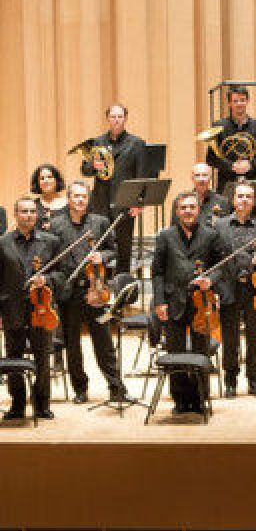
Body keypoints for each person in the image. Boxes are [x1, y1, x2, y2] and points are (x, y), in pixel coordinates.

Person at [49, 182, 128, 405]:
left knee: (104, 342)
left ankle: (116, 387)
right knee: (72, 345)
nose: (80, 200)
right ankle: (80, 389)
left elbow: (113, 252)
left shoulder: (100, 222)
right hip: (69, 293)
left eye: (84, 196)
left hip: (97, 291)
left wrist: (101, 257)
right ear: (69, 198)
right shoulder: (56, 226)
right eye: (76, 196)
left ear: (88, 198)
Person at [151, 190, 227, 415]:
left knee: (200, 352)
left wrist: (210, 279)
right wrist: (159, 302)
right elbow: (157, 272)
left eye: (192, 207)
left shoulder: (210, 235)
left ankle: (200, 398)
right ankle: (180, 400)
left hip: (200, 303)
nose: (188, 211)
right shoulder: (165, 236)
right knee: (174, 352)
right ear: (177, 211)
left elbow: (221, 265)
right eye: (183, 208)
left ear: (198, 209)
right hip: (173, 301)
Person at [214, 182, 256, 398]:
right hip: (228, 288)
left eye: (248, 197)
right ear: (233, 200)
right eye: (240, 196)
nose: (244, 200)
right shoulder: (220, 226)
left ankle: (254, 380)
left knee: (254, 337)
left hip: (255, 290)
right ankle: (230, 380)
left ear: (254, 201)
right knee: (229, 338)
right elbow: (214, 258)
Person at [0, 198, 62, 420]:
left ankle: (41, 405)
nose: (28, 215)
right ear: (15, 215)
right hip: (12, 309)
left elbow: (61, 274)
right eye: (24, 211)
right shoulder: (3, 243)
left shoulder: (51, 241)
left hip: (41, 308)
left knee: (42, 357)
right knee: (14, 357)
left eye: (32, 211)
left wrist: (47, 278)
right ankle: (17, 405)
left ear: (37, 215)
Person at [81, 104, 146, 277]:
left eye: (119, 116)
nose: (116, 120)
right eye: (113, 117)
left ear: (125, 118)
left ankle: (122, 284)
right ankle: (103, 284)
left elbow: (141, 174)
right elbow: (85, 171)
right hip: (100, 202)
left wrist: (139, 203)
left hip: (125, 201)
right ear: (107, 119)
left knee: (124, 246)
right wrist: (94, 166)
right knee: (101, 245)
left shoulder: (136, 143)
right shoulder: (98, 142)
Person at [205, 85, 256, 193]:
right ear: (229, 103)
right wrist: (231, 166)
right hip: (227, 182)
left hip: (252, 181)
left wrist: (250, 165)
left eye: (242, 100)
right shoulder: (219, 126)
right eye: (235, 101)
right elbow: (211, 158)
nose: (239, 104)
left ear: (247, 101)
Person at [30, 163, 68, 229]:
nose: (46, 181)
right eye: (42, 178)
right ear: (38, 183)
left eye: (50, 177)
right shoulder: (32, 205)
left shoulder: (69, 204)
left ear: (56, 180)